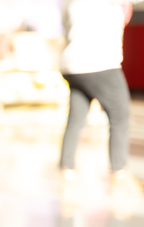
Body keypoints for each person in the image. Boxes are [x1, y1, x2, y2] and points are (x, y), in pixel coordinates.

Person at [59, 0, 142, 182]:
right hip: (100, 62)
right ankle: (119, 170)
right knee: (120, 116)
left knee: (76, 118)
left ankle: (66, 167)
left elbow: (65, 23)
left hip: (72, 63)